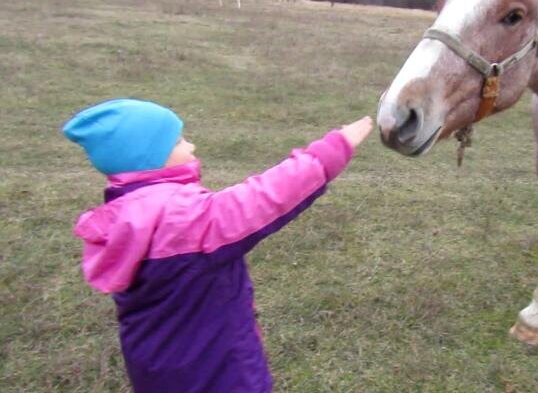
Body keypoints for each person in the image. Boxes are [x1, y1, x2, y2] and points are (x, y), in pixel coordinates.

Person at [62, 98, 372, 392]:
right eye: (178, 141)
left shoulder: (126, 213)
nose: (191, 145)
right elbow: (263, 198)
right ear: (149, 159)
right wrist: (334, 148)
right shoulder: (181, 219)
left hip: (155, 367)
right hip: (217, 374)